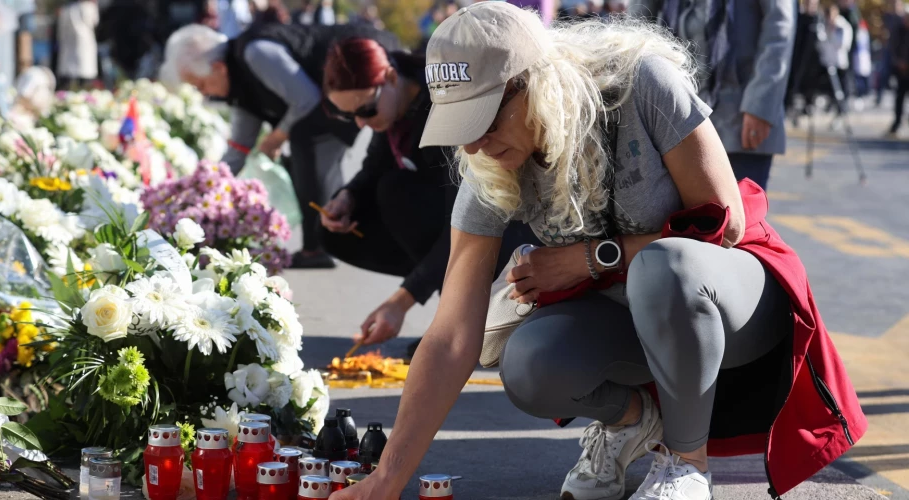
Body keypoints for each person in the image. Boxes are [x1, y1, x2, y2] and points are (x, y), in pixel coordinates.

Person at [329, 3, 866, 500]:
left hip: (731, 310)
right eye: (460, 128)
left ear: (533, 85)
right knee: (529, 362)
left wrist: (591, 259)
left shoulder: (642, 81)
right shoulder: (491, 164)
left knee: (666, 267)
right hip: (636, 318)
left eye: (485, 120)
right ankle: (633, 421)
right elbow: (450, 337)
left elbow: (726, 224)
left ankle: (687, 465)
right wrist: (387, 478)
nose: (474, 145)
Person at [319, 37, 538, 347]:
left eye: (366, 110)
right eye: (349, 115)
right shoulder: (394, 109)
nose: (361, 123)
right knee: (356, 213)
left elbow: (466, 218)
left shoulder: (441, 106)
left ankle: (473, 314)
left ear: (391, 77)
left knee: (396, 192)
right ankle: (461, 305)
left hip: (507, 225)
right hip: (457, 221)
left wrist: (402, 300)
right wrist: (347, 196)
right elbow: (373, 168)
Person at [159, 23, 400, 268]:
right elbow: (240, 146)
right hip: (325, 103)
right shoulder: (239, 86)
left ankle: (324, 246)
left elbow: (305, 98)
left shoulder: (256, 53)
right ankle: (331, 240)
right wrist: (205, 187)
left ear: (218, 68)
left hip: (358, 73)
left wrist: (277, 136)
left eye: (201, 85)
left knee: (310, 149)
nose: (204, 93)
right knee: (306, 152)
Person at [655, 0, 794, 191]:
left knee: (740, 217)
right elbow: (640, 17)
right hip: (678, 111)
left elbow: (779, 28)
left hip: (739, 117)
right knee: (688, 217)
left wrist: (761, 105)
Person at [56, 0, 99, 90]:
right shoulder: (89, 7)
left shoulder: (66, 9)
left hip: (70, 47)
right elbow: (95, 21)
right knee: (84, 78)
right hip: (84, 45)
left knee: (70, 77)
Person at [889, 10, 909, 136]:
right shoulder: (899, 31)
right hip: (901, 71)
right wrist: (899, 62)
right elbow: (893, 48)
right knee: (899, 98)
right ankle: (897, 123)